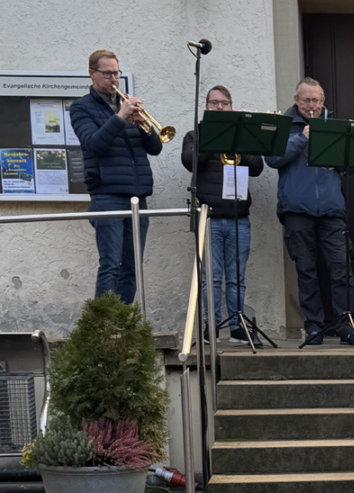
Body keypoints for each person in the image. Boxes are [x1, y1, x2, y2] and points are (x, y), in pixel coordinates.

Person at [265, 77, 354, 346]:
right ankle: (314, 327)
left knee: (341, 268)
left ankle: (347, 324)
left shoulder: (333, 125)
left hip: (332, 210)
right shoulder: (285, 125)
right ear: (296, 100)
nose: (313, 105)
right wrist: (302, 139)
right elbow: (272, 158)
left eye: (318, 100)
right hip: (297, 209)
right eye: (308, 100)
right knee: (307, 270)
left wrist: (343, 164)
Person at [69, 49, 162, 304]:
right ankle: (103, 327)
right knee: (111, 264)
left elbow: (156, 148)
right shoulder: (80, 108)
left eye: (116, 73)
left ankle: (122, 326)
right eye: (107, 73)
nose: (113, 79)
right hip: (107, 196)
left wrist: (142, 123)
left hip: (137, 196)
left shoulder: (127, 107)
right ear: (92, 74)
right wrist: (120, 117)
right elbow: (93, 144)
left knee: (132, 266)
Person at [181, 85, 265, 345]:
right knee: (213, 277)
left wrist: (241, 141)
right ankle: (212, 326)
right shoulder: (195, 135)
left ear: (231, 107)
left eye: (224, 103)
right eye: (214, 103)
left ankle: (237, 324)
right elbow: (189, 162)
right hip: (210, 216)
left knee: (237, 277)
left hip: (240, 215)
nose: (219, 107)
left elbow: (258, 167)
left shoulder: (243, 135)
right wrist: (213, 139)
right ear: (206, 106)